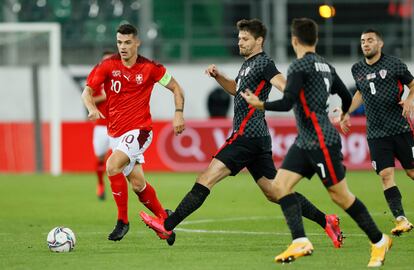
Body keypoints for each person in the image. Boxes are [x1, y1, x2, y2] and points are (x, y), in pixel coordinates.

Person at [140, 18, 343, 249]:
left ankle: (167, 226)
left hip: (246, 135)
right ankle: (326, 220)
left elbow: (282, 84)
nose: (240, 42)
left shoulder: (264, 63)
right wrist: (219, 76)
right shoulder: (248, 64)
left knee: (206, 178)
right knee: (275, 192)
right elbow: (236, 89)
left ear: (259, 41)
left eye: (245, 39)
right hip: (257, 139)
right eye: (239, 38)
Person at [241, 18, 391, 267]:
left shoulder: (299, 66)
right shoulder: (326, 66)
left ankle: (378, 240)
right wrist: (343, 113)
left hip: (321, 141)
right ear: (316, 40)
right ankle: (300, 240)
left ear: (294, 40)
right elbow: (345, 95)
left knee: (341, 197)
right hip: (306, 141)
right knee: (279, 187)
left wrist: (261, 104)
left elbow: (288, 102)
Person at [81, 23, 185, 245]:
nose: (123, 47)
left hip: (140, 131)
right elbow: (87, 91)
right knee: (138, 185)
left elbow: (176, 88)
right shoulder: (108, 66)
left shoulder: (150, 68)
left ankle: (122, 221)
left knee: (111, 165)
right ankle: (165, 220)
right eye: (119, 42)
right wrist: (91, 108)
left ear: (137, 42)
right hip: (115, 133)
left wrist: (178, 114)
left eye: (128, 42)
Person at [340, 29, 414, 235]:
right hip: (376, 133)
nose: (365, 43)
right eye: (363, 40)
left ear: (380, 44)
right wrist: (346, 111)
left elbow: (413, 84)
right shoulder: (357, 69)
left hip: (400, 129)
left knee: (411, 172)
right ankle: (400, 219)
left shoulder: (394, 64)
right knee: (385, 174)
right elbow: (360, 93)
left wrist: (409, 100)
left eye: (370, 40)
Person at [88, 50, 114, 200]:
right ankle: (100, 185)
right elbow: (88, 98)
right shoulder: (96, 77)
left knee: (116, 158)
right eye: (105, 60)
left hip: (117, 125)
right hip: (100, 126)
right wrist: (104, 97)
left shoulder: (121, 77)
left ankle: (116, 188)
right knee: (100, 158)